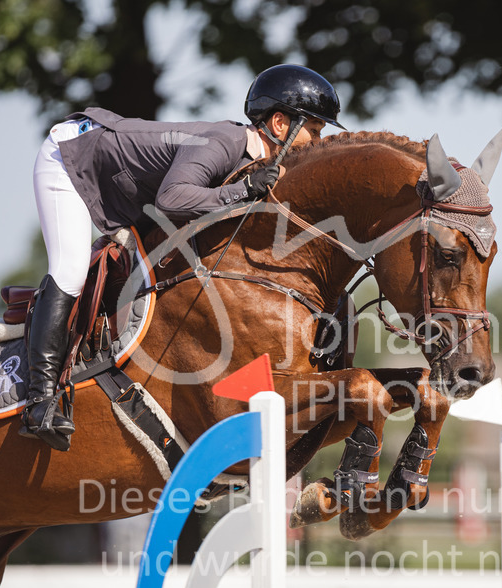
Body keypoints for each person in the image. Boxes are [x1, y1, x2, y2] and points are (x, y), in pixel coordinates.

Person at [22, 64, 344, 450]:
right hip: (71, 159)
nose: (318, 142)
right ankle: (39, 402)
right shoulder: (224, 143)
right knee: (71, 269)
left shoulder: (256, 160)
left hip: (124, 182)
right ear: (279, 123)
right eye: (314, 130)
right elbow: (172, 199)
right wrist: (240, 191)